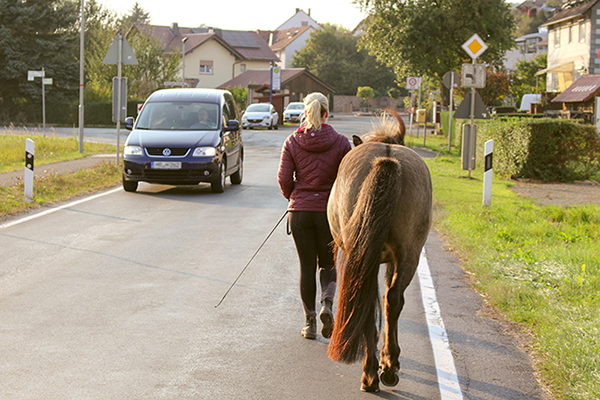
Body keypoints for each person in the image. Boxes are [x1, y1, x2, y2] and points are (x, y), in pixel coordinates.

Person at [277, 92, 351, 339]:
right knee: (328, 264)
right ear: (326, 113)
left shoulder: (292, 141)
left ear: (305, 113)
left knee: (306, 266)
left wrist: (294, 197)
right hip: (329, 214)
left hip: (300, 214)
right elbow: (347, 180)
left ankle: (309, 323)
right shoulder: (341, 142)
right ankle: (327, 305)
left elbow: (284, 179)